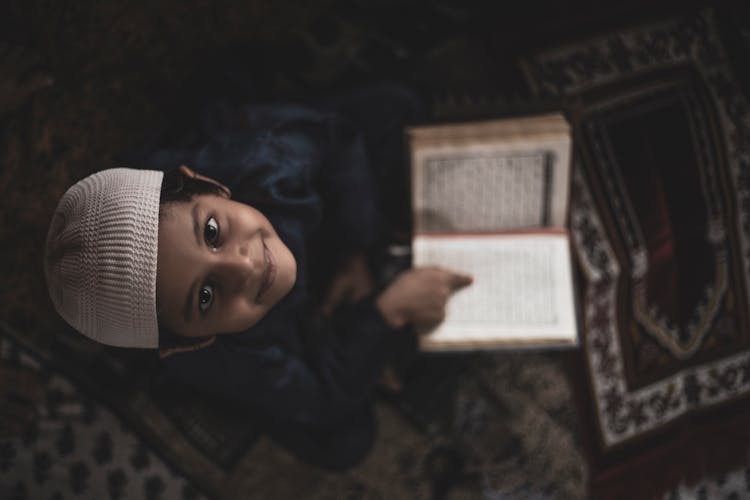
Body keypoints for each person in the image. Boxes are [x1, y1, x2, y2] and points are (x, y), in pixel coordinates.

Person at [44, 83, 473, 470]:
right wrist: (384, 313)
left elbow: (336, 139)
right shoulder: (220, 356)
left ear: (209, 185)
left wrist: (355, 250)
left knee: (394, 106)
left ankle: (356, 285)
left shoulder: (263, 164)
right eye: (207, 296)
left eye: (212, 233)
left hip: (303, 217)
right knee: (344, 440)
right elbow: (319, 400)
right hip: (280, 313)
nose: (246, 267)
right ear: (195, 340)